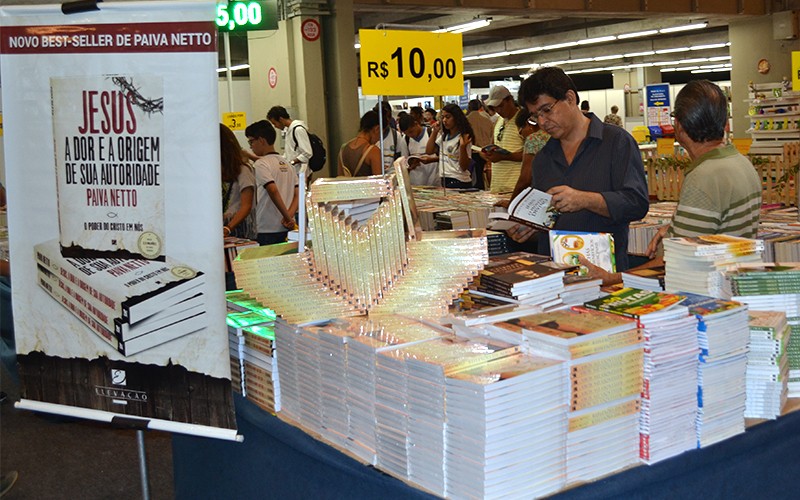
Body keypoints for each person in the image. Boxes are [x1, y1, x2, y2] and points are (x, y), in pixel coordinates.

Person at [509, 66, 649, 279]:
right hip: (555, 278)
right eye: (535, 116)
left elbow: (637, 204)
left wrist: (585, 200)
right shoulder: (543, 159)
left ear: (570, 98)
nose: (542, 122)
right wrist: (529, 228)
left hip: (605, 276)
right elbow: (547, 218)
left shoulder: (616, 142)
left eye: (547, 110)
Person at [645, 79, 762, 258]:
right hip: (734, 269)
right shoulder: (741, 162)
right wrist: (675, 229)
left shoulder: (704, 177)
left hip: (707, 275)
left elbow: (680, 258)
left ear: (679, 125)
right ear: (724, 122)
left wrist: (610, 274)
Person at [245, 120, 299, 246]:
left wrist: (287, 217)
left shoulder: (261, 164)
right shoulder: (287, 163)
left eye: (251, 141)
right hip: (287, 227)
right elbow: (298, 193)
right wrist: (289, 216)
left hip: (267, 227)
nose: (251, 146)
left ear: (261, 140)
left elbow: (273, 190)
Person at [481, 85, 524, 194]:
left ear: (510, 100)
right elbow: (492, 143)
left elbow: (532, 154)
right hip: (498, 186)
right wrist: (487, 154)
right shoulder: (499, 121)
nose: (498, 110)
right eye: (495, 107)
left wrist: (505, 156)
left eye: (501, 106)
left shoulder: (523, 121)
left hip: (515, 187)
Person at [219, 124, 256, 240]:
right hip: (224, 227)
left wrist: (228, 228)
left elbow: (247, 206)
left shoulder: (243, 170)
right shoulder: (216, 172)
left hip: (240, 229)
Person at [425, 103, 474, 189]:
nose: (444, 120)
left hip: (459, 180)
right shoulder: (445, 136)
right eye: (442, 117)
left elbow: (464, 166)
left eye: (448, 117)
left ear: (456, 118)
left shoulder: (463, 137)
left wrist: (462, 147)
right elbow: (429, 151)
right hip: (445, 179)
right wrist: (434, 132)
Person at [507, 109, 550, 202]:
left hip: (541, 196)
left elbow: (525, 179)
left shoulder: (534, 139)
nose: (520, 133)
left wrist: (512, 203)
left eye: (521, 129)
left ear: (529, 124)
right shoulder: (554, 135)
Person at [266, 105, 313, 177]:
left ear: (281, 119)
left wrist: (292, 162)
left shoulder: (298, 130)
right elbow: (290, 153)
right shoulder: (288, 130)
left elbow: (307, 153)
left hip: (301, 172)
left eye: (275, 123)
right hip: (293, 172)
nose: (275, 126)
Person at [338, 110, 383, 177]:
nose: (379, 139)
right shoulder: (373, 151)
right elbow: (379, 181)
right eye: (380, 134)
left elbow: (340, 177)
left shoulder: (343, 149)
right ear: (377, 129)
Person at [398, 114, 438, 186]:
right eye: (407, 134)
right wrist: (410, 165)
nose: (410, 135)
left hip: (434, 179)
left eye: (411, 132)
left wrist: (431, 160)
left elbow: (442, 156)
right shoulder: (405, 139)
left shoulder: (431, 133)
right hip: (415, 181)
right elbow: (404, 160)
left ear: (416, 124)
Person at [466, 98, 494, 190]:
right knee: (482, 178)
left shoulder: (466, 121)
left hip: (471, 152)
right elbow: (492, 137)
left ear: (469, 107)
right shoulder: (488, 121)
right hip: (485, 152)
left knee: (474, 180)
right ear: (480, 107)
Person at [374, 102, 408, 172]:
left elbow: (400, 160)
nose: (386, 120)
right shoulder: (371, 136)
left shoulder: (396, 136)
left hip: (391, 174)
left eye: (388, 117)